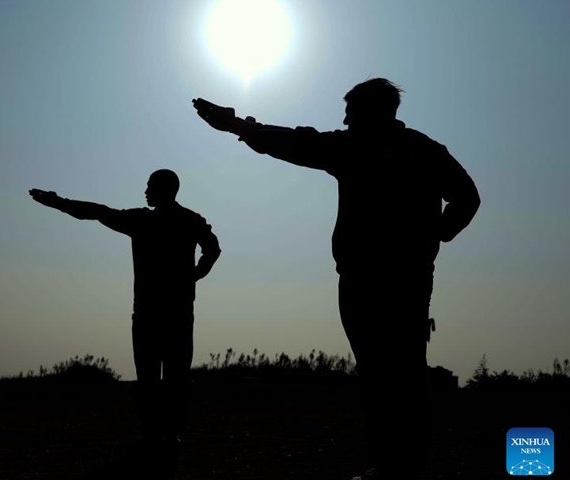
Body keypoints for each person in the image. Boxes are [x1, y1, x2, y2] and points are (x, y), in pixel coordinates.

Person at [192, 78, 480, 480]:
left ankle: (399, 465)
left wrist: (238, 126)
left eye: (350, 110)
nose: (344, 118)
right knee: (398, 372)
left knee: (389, 374)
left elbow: (297, 143)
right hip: (395, 277)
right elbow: (468, 196)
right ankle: (401, 465)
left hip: (378, 279)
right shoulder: (417, 148)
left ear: (370, 111)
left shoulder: (360, 147)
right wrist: (438, 232)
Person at [29, 169, 221, 474]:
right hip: (177, 311)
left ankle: (156, 436)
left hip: (149, 312)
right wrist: (197, 273)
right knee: (173, 378)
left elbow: (96, 212)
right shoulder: (188, 220)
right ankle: (168, 435)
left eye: (150, 186)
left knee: (151, 378)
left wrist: (59, 203)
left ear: (163, 189)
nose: (145, 191)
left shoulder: (143, 220)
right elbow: (212, 248)